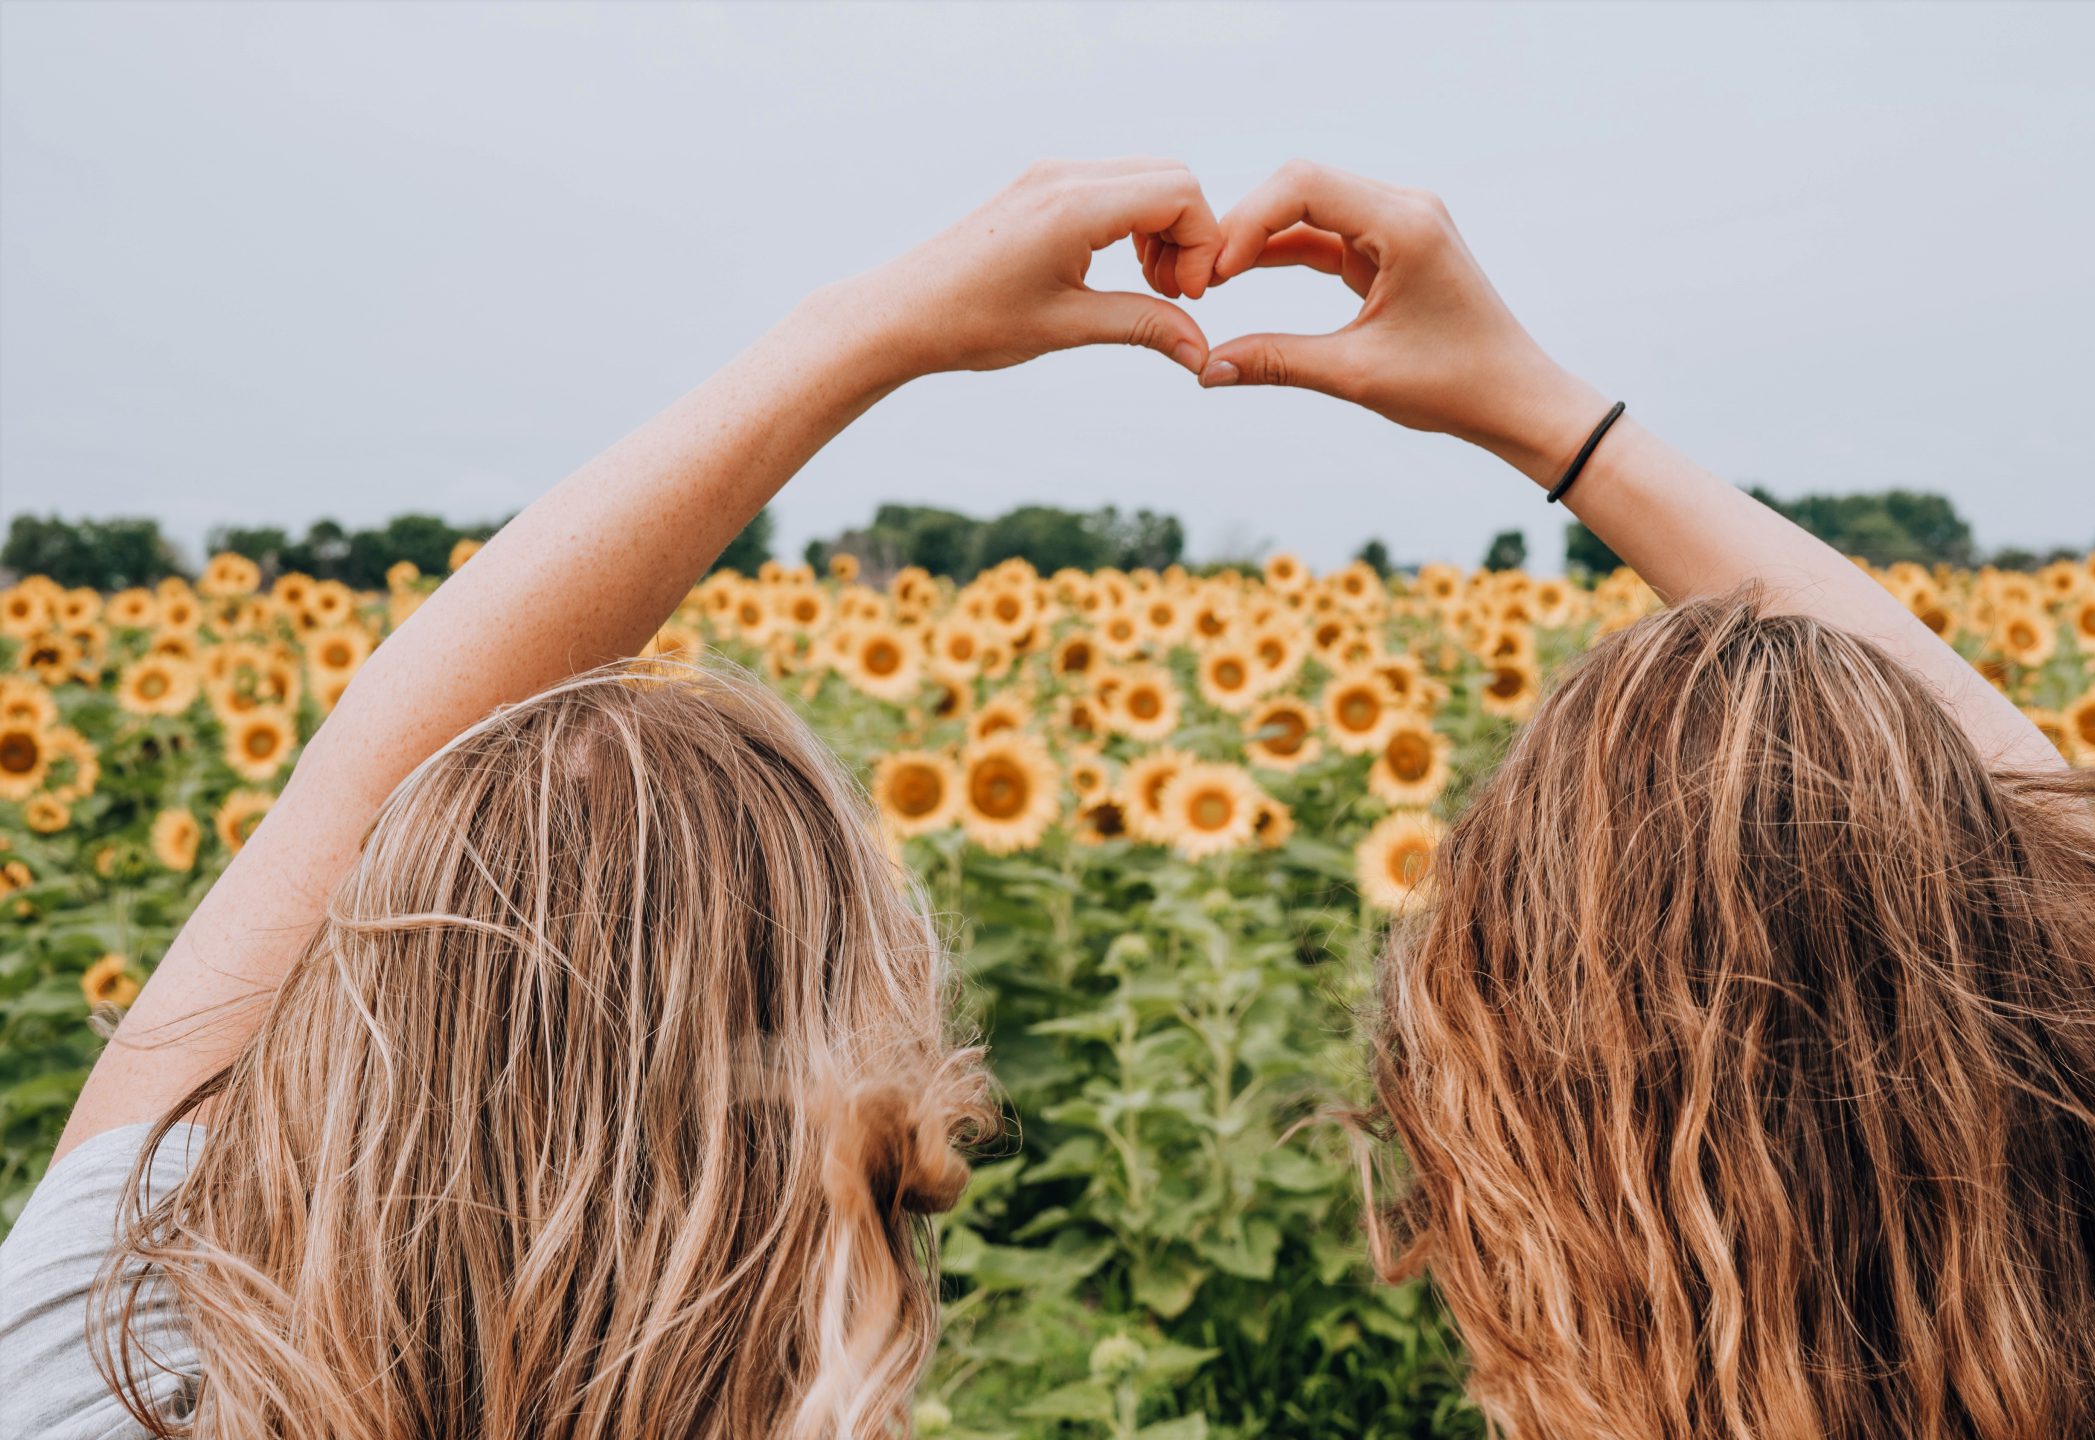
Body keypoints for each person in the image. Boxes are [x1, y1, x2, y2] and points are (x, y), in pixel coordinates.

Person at [1176, 162, 2095, 1440]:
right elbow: (2052, 856)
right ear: (2065, 1044)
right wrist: (1548, 410)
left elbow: (2047, 854)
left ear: (1537, 1148)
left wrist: (942, 328)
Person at [0, 158, 1231, 1440]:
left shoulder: (83, 1383)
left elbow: (349, 789)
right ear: (850, 1168)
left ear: (334, 1078)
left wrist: (861, 328)